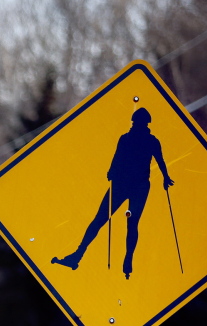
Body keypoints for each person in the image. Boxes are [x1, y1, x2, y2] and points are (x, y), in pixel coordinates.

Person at [51, 107, 174, 278]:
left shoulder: (142, 140)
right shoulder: (132, 139)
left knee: (123, 222)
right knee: (106, 220)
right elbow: (118, 158)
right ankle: (78, 255)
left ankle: (126, 260)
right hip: (126, 185)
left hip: (134, 186)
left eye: (138, 122)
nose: (137, 125)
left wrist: (166, 177)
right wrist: (111, 171)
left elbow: (159, 160)